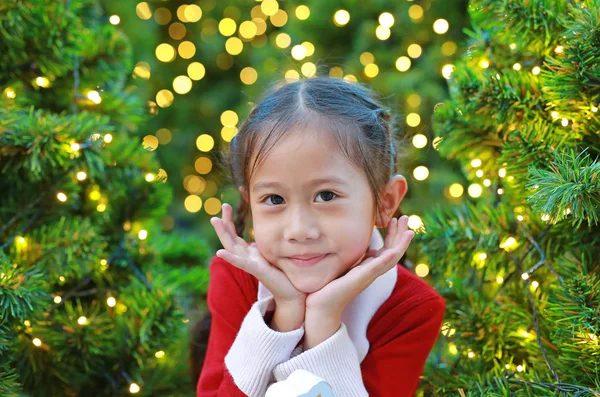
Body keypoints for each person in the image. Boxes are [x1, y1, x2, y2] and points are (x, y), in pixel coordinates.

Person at [196, 76, 446, 396]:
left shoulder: (410, 308)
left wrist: (324, 320)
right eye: (274, 200)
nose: (299, 230)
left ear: (384, 203)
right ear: (249, 203)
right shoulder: (235, 277)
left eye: (326, 196)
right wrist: (284, 314)